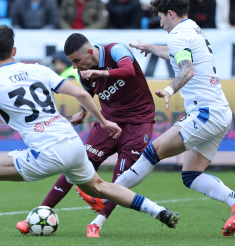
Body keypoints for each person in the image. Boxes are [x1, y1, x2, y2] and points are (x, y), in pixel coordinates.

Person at [0, 25, 180, 246]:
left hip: (46, 152)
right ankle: (159, 211)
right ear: (14, 51)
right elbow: (80, 92)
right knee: (99, 186)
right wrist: (102, 119)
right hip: (71, 143)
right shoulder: (38, 70)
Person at [83, 0, 235, 237]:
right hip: (221, 112)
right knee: (191, 175)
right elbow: (177, 55)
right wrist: (152, 48)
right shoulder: (192, 28)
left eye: (161, 17)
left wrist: (169, 89)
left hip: (204, 113)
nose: (160, 23)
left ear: (170, 14)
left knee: (152, 153)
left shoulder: (177, 36)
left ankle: (105, 196)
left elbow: (187, 70)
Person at [16, 33, 170, 238]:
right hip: (108, 123)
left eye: (77, 61)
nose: (76, 66)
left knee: (120, 180)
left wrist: (102, 74)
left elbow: (129, 71)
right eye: (72, 62)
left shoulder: (116, 50)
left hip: (138, 123)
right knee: (74, 164)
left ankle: (97, 223)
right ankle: (36, 215)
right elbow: (88, 94)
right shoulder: (84, 72)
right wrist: (83, 112)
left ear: (90, 52)